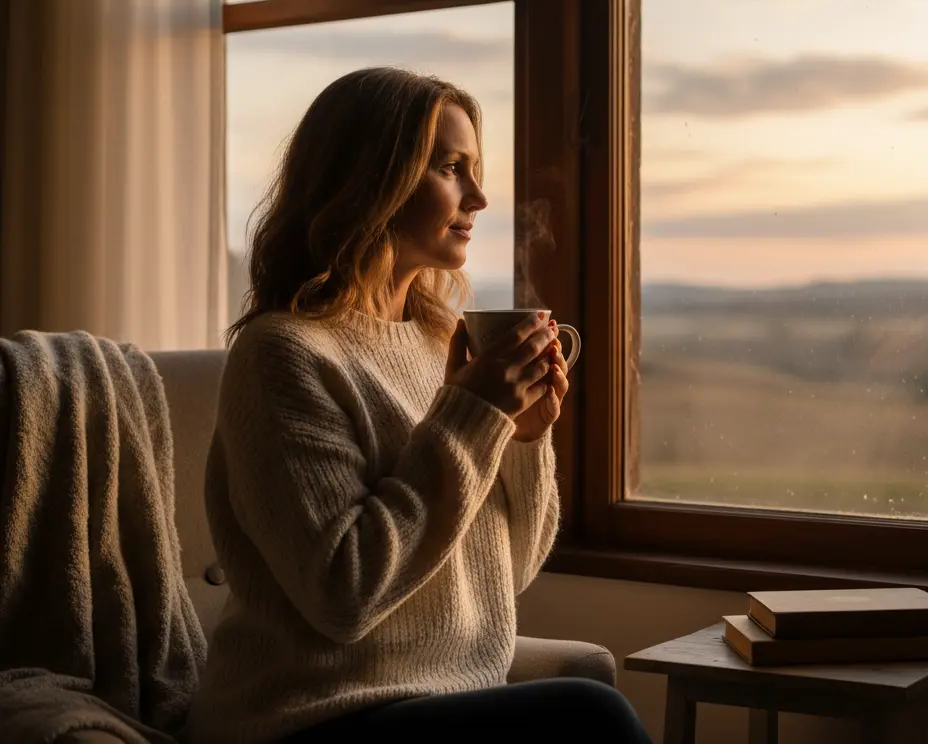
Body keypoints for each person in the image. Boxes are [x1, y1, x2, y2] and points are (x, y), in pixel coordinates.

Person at [187, 67, 652, 744]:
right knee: (591, 716)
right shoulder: (281, 354)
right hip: (305, 719)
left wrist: (522, 439)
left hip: (442, 701)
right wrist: (472, 420)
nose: (480, 197)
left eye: (474, 168)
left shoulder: (442, 343)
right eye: (450, 167)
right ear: (372, 179)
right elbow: (345, 596)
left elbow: (504, 577)